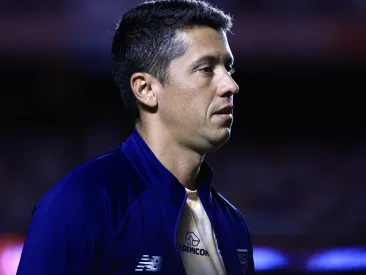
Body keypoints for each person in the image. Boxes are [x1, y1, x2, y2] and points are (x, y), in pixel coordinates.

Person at [16, 0, 254, 274]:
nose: (231, 85)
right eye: (206, 69)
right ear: (145, 89)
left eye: (228, 68)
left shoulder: (232, 223)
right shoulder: (79, 205)